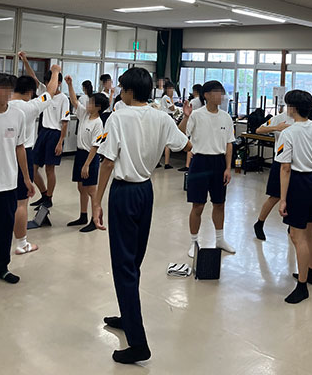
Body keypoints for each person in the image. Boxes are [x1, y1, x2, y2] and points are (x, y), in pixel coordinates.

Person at [93, 67, 191, 365]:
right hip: (146, 191)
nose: (119, 92)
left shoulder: (118, 117)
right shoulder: (161, 116)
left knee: (123, 265)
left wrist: (96, 201)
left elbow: (107, 162)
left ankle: (138, 343)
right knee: (133, 260)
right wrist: (181, 119)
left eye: (121, 88)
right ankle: (128, 315)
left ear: (128, 91)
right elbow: (185, 144)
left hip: (124, 192)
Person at [277, 91, 312, 304]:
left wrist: (283, 199)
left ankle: (302, 287)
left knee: (297, 235)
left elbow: (285, 168)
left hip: (298, 184)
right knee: (310, 229)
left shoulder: (289, 132)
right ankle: (311, 272)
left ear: (292, 108)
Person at [0, 73, 34, 284]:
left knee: (5, 230)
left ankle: (2, 268)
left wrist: (27, 179)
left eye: (9, 88)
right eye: (3, 88)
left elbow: (20, 147)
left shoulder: (17, 115)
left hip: (8, 184)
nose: (7, 93)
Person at [179, 80, 236, 258]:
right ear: (207, 95)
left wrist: (228, 167)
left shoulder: (226, 117)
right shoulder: (196, 115)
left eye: (222, 92)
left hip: (219, 163)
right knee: (198, 205)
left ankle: (219, 239)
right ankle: (194, 241)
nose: (221, 95)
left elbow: (229, 144)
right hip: (200, 162)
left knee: (219, 203)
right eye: (217, 92)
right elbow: (181, 134)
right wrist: (186, 117)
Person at [9, 60, 60, 254]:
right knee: (21, 202)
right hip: (22, 153)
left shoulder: (3, 105)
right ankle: (22, 243)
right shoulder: (29, 107)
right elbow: (50, 92)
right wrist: (55, 71)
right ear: (30, 92)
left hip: (1, 155)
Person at [65, 76, 109, 232]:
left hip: (90, 157)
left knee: (91, 190)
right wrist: (70, 84)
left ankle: (94, 219)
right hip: (80, 154)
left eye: (91, 103)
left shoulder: (98, 123)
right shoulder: (84, 114)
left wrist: (86, 165)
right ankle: (83, 215)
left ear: (98, 107)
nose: (87, 104)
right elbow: (74, 101)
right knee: (81, 187)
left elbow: (95, 147)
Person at [253, 104, 295, 240]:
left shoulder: (302, 120)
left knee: (293, 195)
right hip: (280, 161)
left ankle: (291, 225)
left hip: (296, 163)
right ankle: (259, 223)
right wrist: (276, 128)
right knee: (275, 196)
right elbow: (259, 130)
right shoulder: (279, 118)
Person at [31, 69, 70, 209]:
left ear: (58, 83)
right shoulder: (45, 94)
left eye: (51, 82)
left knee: (49, 169)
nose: (48, 84)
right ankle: (44, 194)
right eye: (47, 82)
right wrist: (25, 61)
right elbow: (33, 78)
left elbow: (65, 122)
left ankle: (49, 198)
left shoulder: (64, 99)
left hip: (55, 134)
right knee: (33, 167)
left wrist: (60, 142)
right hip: (43, 132)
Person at [178, 85, 204, 173]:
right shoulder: (202, 101)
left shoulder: (193, 101)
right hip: (200, 124)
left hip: (192, 123)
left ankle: (187, 165)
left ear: (195, 91)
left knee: (190, 143)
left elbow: (188, 113)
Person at [159, 81, 177, 169]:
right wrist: (172, 98)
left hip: (166, 118)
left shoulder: (166, 98)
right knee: (167, 142)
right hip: (167, 117)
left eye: (172, 88)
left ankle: (161, 162)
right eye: (170, 88)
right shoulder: (166, 98)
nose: (171, 90)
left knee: (163, 141)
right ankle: (166, 163)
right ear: (166, 89)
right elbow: (172, 108)